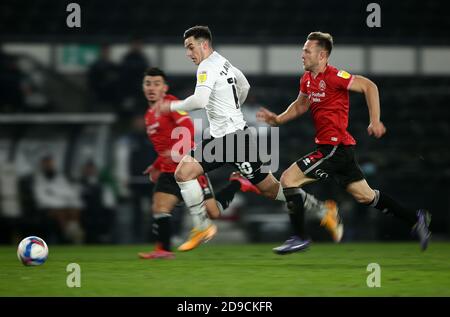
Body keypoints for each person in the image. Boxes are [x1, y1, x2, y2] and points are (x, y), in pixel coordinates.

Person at [156, 26, 342, 252]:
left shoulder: (206, 66)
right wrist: (233, 108)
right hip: (235, 138)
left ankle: (202, 225)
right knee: (270, 189)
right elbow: (244, 85)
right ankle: (323, 209)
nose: (188, 53)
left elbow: (200, 100)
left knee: (183, 173)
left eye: (190, 47)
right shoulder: (223, 62)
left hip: (230, 140)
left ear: (204, 44)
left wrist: (171, 106)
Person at [256, 31, 431, 254]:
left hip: (335, 148)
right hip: (338, 149)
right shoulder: (307, 79)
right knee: (366, 196)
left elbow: (369, 86)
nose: (302, 55)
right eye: (303, 50)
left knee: (288, 179)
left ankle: (299, 237)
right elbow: (301, 105)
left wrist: (375, 120)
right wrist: (278, 119)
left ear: (322, 55)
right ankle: (416, 219)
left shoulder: (335, 76)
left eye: (307, 51)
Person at [137, 67, 253, 259]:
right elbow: (162, 147)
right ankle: (163, 250)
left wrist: (175, 152)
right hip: (168, 171)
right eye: (148, 83)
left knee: (213, 213)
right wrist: (156, 164)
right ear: (143, 87)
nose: (152, 87)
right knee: (159, 207)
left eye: (156, 84)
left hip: (188, 168)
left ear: (164, 88)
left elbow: (187, 128)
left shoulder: (172, 104)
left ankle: (237, 183)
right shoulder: (149, 115)